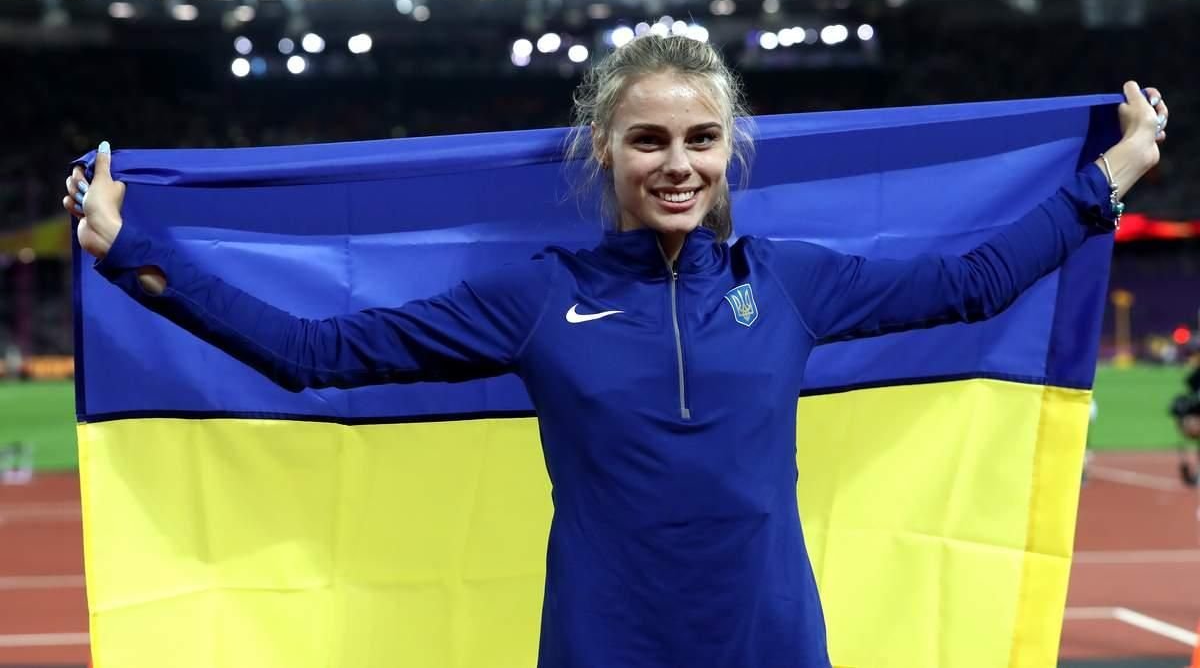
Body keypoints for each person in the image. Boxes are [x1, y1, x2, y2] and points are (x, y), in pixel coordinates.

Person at [64, 35, 1168, 668]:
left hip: (771, 639)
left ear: (729, 151)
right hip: (604, 644)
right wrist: (133, 251)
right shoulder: (538, 297)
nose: (677, 163)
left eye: (700, 139)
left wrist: (1112, 175)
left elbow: (974, 281)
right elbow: (319, 350)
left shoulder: (790, 281)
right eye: (649, 139)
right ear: (606, 150)